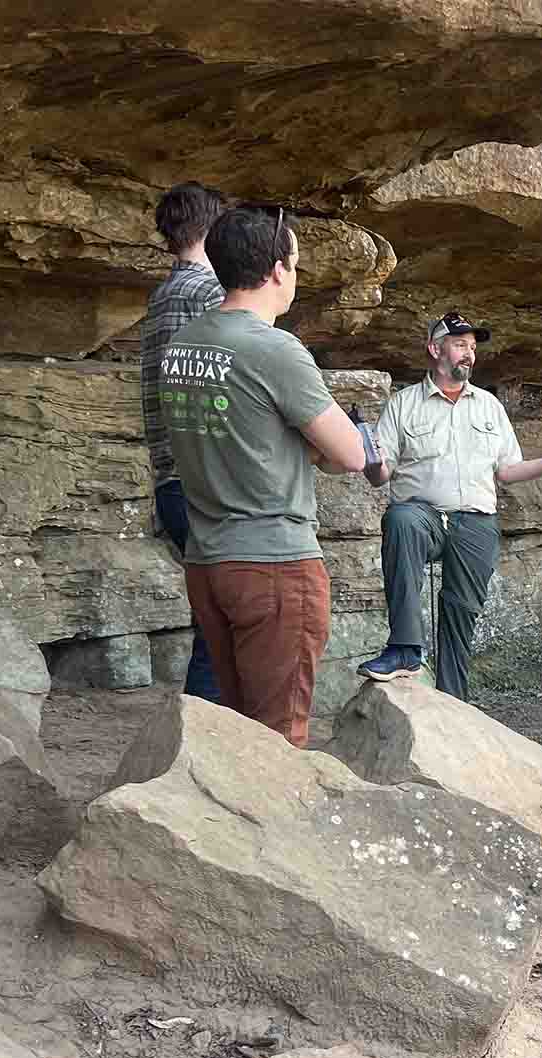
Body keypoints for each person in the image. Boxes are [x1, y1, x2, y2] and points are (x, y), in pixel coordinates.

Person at [160, 204, 373, 747]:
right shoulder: (274, 349)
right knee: (278, 740)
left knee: (237, 733)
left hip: (209, 561)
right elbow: (350, 455)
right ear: (277, 270)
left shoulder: (183, 345)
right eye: (296, 264)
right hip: (274, 564)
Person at [356, 311, 542, 700]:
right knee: (401, 520)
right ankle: (404, 649)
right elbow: (380, 474)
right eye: (460, 345)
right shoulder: (403, 404)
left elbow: (507, 471)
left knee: (460, 611)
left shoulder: (489, 406)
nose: (469, 354)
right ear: (435, 349)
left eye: (472, 347)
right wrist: (369, 460)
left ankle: (454, 700)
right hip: (424, 516)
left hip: (475, 522)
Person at [141, 181, 227, 703]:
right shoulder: (207, 294)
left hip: (174, 480)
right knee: (220, 635)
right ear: (214, 230)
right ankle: (200, 751)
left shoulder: (165, 294)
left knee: (212, 626)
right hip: (201, 482)